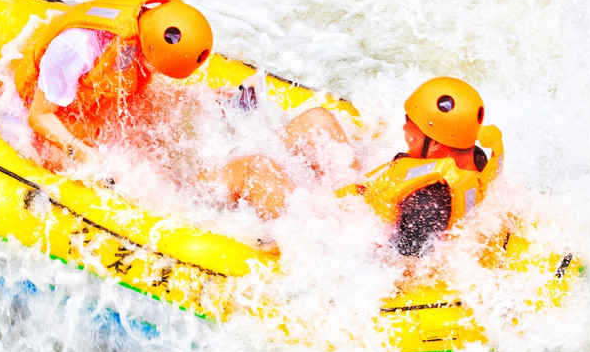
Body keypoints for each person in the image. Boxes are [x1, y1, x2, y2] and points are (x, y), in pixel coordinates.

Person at [216, 77, 503, 257]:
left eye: (411, 126)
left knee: (254, 169)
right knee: (317, 121)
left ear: (437, 144)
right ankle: (246, 130)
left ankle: (184, 190)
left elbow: (397, 269)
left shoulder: (426, 206)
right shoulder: (471, 154)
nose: (404, 128)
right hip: (361, 207)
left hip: (342, 239)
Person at [14, 0, 213, 163]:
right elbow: (38, 116)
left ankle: (224, 98)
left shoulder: (143, 31)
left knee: (149, 142)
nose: (158, 73)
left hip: (92, 100)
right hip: (33, 108)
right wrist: (84, 154)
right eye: (158, 67)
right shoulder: (76, 47)